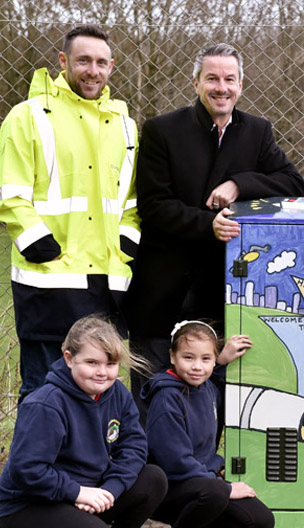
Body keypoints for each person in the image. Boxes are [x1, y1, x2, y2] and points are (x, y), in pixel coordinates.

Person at [124, 43, 304, 416]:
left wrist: (239, 184)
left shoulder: (256, 131)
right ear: (196, 83)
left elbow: (292, 182)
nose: (221, 87)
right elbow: (154, 206)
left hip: (220, 292)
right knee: (151, 399)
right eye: (212, 78)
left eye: (229, 79)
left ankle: (201, 471)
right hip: (161, 288)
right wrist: (209, 224)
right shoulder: (161, 130)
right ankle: (150, 473)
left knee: (210, 402)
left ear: (240, 85)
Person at [0, 25, 140, 399]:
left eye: (100, 62)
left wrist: (127, 242)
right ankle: (35, 461)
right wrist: (37, 243)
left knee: (100, 395)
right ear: (64, 62)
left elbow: (132, 200)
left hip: (106, 285)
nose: (92, 70)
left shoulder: (125, 126)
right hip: (48, 278)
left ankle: (93, 461)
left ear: (112, 66)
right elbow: (10, 192)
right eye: (83, 61)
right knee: (44, 393)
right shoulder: (28, 116)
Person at [0, 315, 167, 527]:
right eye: (91, 362)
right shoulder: (45, 405)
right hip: (30, 503)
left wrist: (110, 489)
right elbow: (27, 470)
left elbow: (134, 447)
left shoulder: (117, 393)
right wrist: (77, 492)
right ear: (69, 359)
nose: (102, 372)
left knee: (153, 478)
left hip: (87, 494)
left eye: (111, 364)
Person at [142, 320, 273, 528]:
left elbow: (213, 386)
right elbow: (176, 462)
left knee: (260, 519)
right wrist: (226, 487)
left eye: (206, 359)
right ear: (172, 357)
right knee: (215, 494)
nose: (197, 367)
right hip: (172, 487)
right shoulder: (167, 398)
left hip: (203, 482)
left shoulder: (206, 387)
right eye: (188, 357)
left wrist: (221, 362)